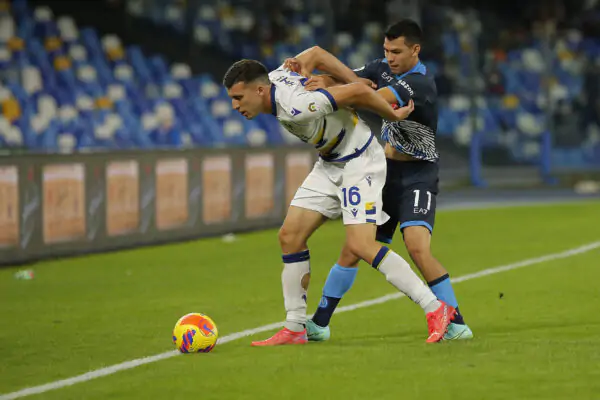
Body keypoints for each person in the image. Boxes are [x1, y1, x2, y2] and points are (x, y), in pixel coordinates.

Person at [222, 56, 456, 346]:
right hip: (329, 162)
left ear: (259, 90)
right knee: (290, 236)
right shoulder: (278, 75)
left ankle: (435, 308)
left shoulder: (297, 105)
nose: (235, 105)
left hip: (360, 161)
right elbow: (315, 52)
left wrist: (391, 114)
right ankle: (295, 327)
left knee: (361, 245)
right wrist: (306, 63)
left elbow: (357, 92)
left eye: (238, 97)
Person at [284, 19, 473, 341]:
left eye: (396, 51)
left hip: (418, 176)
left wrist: (326, 90)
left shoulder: (419, 84)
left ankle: (457, 324)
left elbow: (365, 96)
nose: (390, 57)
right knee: (354, 248)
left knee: (416, 247)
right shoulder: (381, 68)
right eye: (386, 50)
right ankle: (319, 324)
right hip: (385, 172)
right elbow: (349, 79)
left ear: (415, 50)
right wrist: (323, 79)